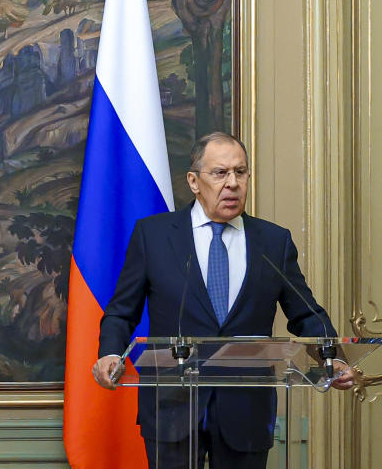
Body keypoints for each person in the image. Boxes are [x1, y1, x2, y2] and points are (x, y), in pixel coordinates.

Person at [91, 132, 355, 468]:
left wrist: (334, 359)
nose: (232, 183)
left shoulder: (273, 242)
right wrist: (110, 353)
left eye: (240, 172)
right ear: (194, 181)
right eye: (220, 173)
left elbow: (307, 313)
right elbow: (121, 312)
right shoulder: (153, 235)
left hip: (245, 411)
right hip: (172, 406)